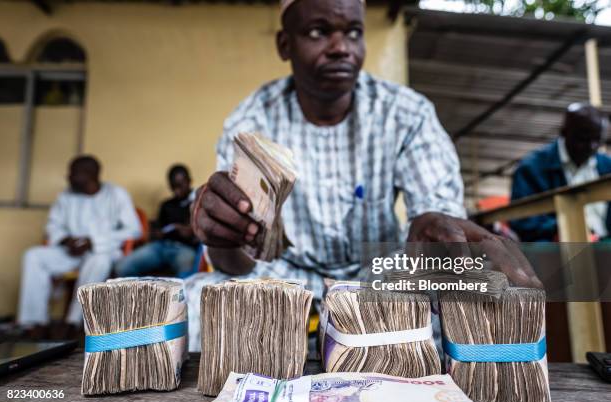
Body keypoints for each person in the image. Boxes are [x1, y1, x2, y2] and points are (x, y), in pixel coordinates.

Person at [185, 0, 540, 351]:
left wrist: (436, 226)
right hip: (284, 280)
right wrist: (223, 239)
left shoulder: (406, 113)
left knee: (448, 298)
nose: (341, 48)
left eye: (354, 32)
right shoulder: (251, 120)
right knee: (197, 300)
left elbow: (438, 217)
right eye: (318, 32)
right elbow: (236, 265)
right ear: (284, 44)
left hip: (378, 275)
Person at [17, 155, 141, 335]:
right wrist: (66, 240)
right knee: (33, 256)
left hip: (102, 250)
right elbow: (52, 225)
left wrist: (94, 241)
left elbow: (134, 230)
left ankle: (72, 321)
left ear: (91, 174)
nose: (68, 177)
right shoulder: (65, 196)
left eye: (73, 173)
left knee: (100, 261)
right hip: (70, 251)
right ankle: (34, 323)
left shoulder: (116, 194)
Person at [511, 103, 611, 242]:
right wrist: (563, 230)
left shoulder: (607, 166)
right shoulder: (532, 168)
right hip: (557, 248)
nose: (591, 147)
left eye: (597, 140)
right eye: (583, 139)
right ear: (564, 132)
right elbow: (522, 220)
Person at [115, 164, 198, 278]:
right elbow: (158, 228)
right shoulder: (166, 205)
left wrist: (192, 233)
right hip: (161, 246)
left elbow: (204, 236)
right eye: (173, 186)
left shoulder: (198, 202)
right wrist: (156, 233)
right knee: (122, 267)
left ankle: (177, 295)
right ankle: (141, 293)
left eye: (180, 185)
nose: (177, 190)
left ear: (189, 181)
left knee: (186, 273)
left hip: (185, 249)